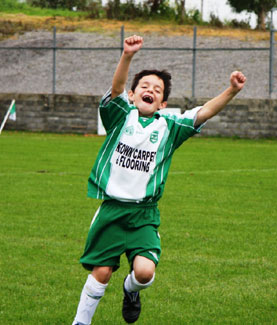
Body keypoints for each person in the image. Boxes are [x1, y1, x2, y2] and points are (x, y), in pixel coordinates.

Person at [72, 35, 246, 324]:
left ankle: (131, 290)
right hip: (113, 210)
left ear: (163, 103)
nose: (150, 90)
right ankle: (81, 322)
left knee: (144, 273)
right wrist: (127, 56)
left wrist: (232, 90)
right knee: (101, 272)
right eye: (144, 87)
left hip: (144, 214)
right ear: (133, 94)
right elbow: (116, 89)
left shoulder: (169, 127)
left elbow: (203, 112)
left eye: (157, 90)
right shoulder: (119, 117)